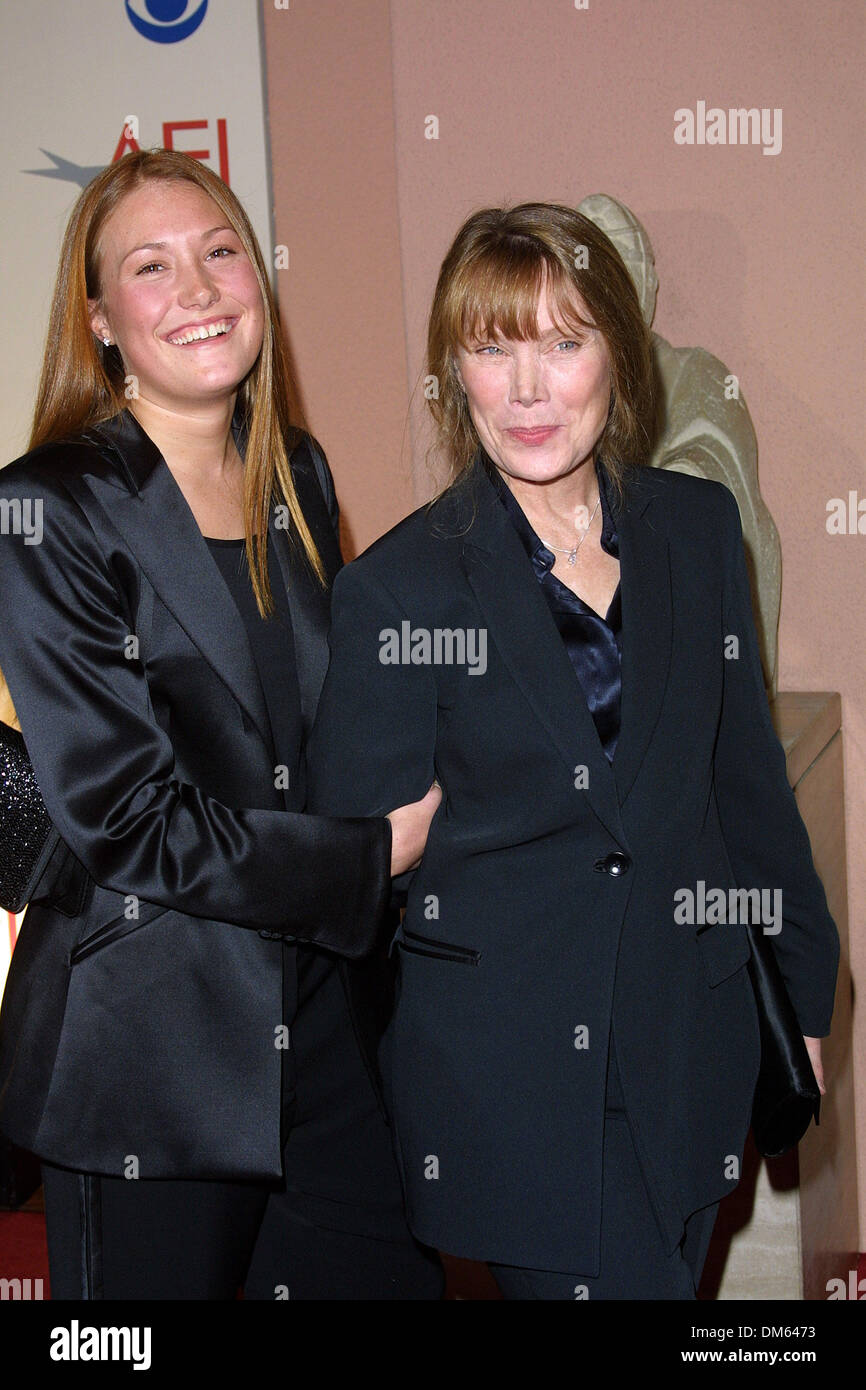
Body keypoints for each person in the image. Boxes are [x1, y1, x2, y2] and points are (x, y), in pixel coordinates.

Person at [307, 202, 840, 1299]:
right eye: (492, 348)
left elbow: (743, 790)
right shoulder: (397, 589)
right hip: (515, 1090)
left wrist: (802, 992)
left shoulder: (695, 531)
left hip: (692, 1043)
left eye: (563, 342)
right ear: (453, 372)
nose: (528, 389)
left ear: (619, 356)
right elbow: (357, 872)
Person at [0, 149, 443, 1300]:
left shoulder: (294, 471)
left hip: (327, 1018)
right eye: (150, 267)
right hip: (155, 1044)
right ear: (98, 318)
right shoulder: (45, 507)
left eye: (219, 252)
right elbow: (126, 817)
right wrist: (365, 856)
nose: (197, 290)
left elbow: (331, 725)